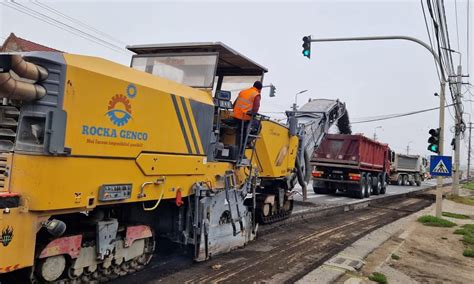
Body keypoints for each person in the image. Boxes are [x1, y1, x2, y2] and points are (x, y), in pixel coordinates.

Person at [232, 81, 262, 161]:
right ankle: (244, 147)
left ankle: (238, 152)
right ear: (260, 89)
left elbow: (234, 104)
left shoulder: (243, 91)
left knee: (239, 134)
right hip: (244, 117)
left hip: (236, 116)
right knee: (257, 126)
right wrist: (253, 115)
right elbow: (255, 109)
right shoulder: (256, 94)